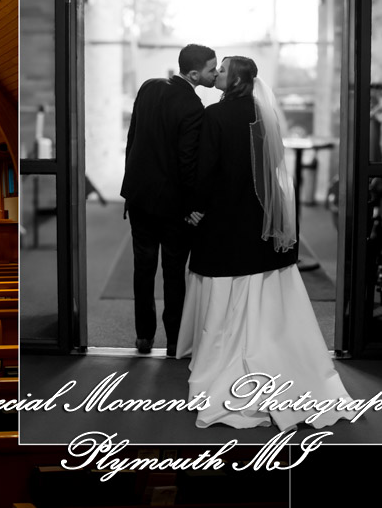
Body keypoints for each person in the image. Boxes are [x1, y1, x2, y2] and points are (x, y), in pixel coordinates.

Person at [177, 56, 353, 430]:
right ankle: (274, 348)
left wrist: (195, 208)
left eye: (223, 70)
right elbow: (271, 171)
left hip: (226, 218)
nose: (218, 74)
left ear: (237, 80)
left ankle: (228, 357)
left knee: (227, 287)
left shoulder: (215, 117)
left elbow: (206, 169)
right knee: (262, 286)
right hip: (259, 219)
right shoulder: (264, 114)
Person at [120, 44, 216, 357]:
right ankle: (174, 340)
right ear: (194, 73)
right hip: (173, 207)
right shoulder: (193, 106)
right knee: (174, 272)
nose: (215, 74)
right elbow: (187, 162)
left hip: (139, 199)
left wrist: (129, 189)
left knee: (142, 269)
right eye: (211, 70)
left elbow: (132, 141)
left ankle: (143, 337)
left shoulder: (148, 88)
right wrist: (193, 209)